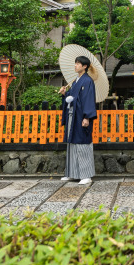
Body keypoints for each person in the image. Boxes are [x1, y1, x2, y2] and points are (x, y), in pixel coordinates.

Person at [58, 55, 97, 185]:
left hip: (81, 116)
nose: (75, 65)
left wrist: (87, 117)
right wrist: (65, 94)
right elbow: (72, 98)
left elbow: (88, 99)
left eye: (78, 63)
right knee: (72, 142)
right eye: (75, 63)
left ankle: (86, 175)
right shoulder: (75, 81)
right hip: (72, 116)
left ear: (84, 66)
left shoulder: (87, 81)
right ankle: (72, 173)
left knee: (82, 142)